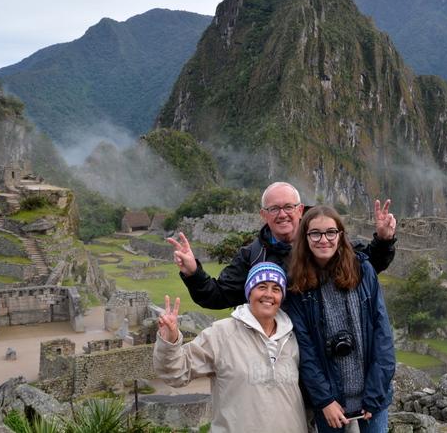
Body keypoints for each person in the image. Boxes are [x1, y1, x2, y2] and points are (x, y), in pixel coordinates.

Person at [169, 182, 397, 309]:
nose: (282, 215)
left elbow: (366, 265)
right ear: (263, 215)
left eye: (288, 207)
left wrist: (383, 240)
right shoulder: (253, 256)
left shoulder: (324, 240)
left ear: (300, 210)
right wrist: (193, 272)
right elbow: (217, 296)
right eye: (274, 209)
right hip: (283, 357)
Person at [154, 263, 308, 433]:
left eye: (276, 289)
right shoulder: (222, 333)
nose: (268, 295)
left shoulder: (294, 337)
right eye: (261, 287)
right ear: (249, 292)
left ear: (283, 296)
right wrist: (170, 342)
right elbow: (176, 374)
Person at [283, 206, 395, 432]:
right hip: (329, 402)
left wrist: (374, 395)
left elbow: (382, 336)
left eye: (330, 232)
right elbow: (305, 350)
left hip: (371, 396)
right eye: (315, 233)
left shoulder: (363, 270)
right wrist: (324, 400)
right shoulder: (296, 285)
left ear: (340, 235)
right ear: (305, 238)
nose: (323, 240)